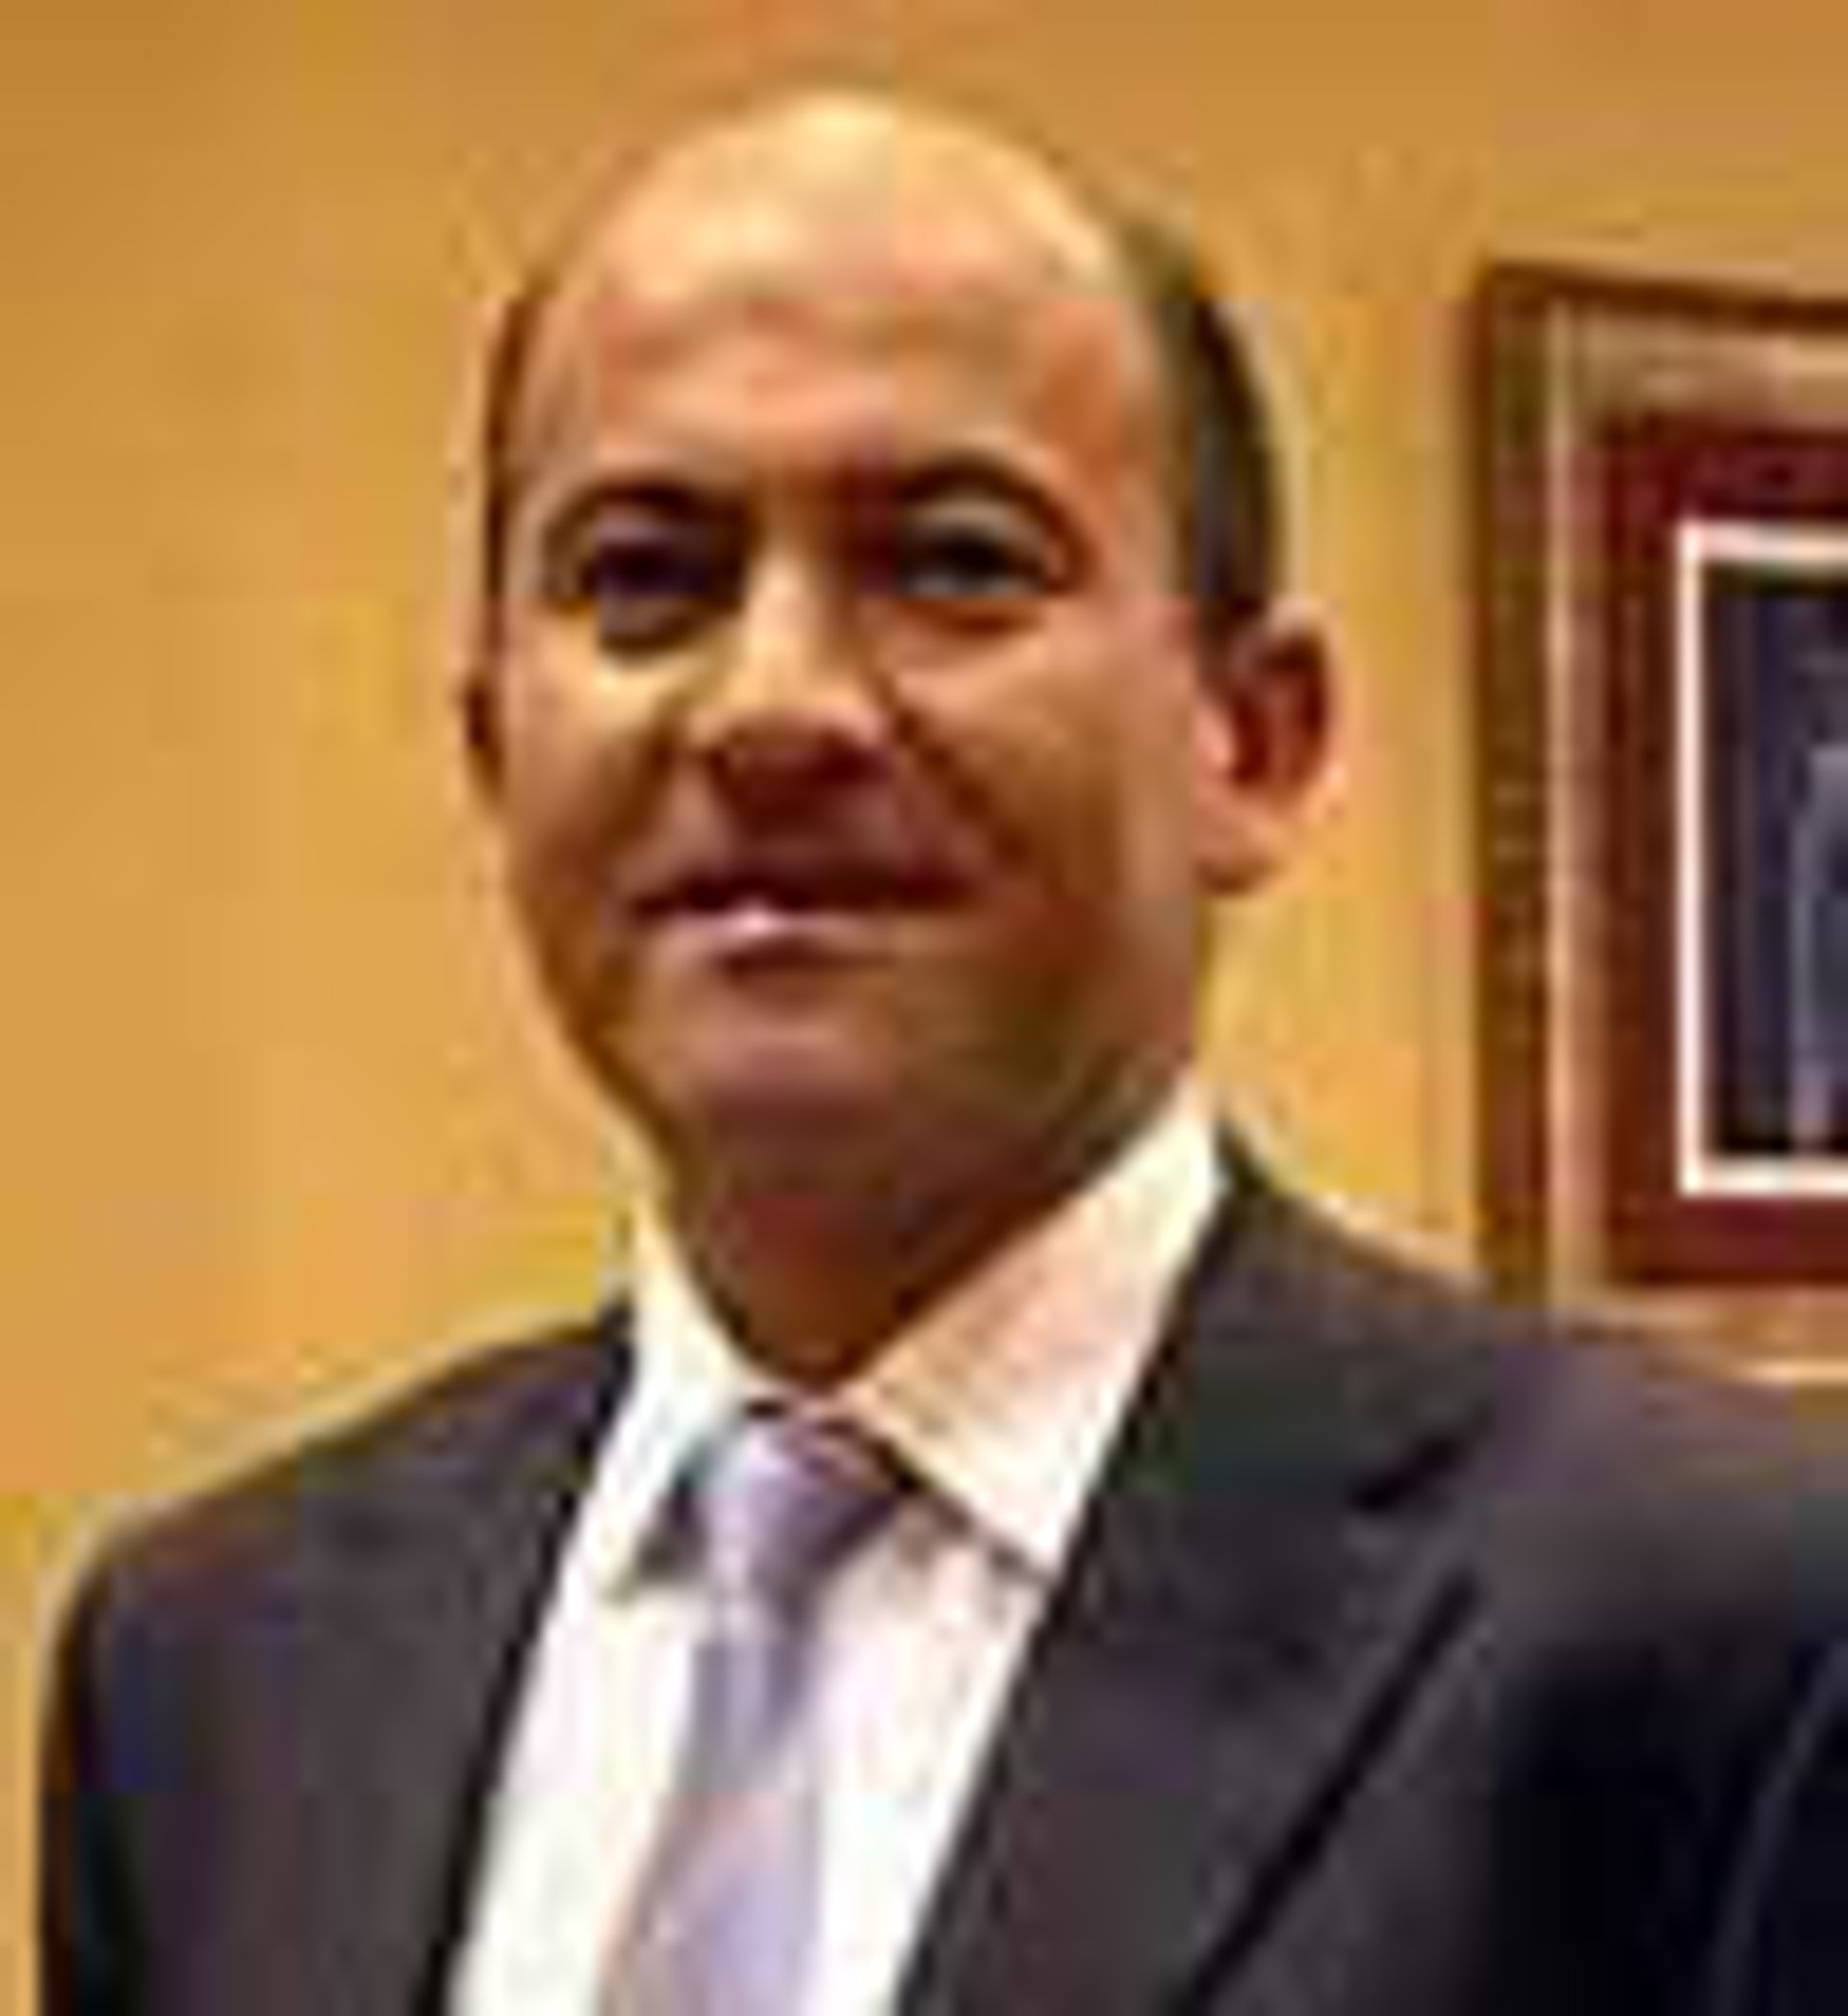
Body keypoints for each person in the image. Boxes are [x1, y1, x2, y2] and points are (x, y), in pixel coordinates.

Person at [39, 89, 1848, 2016]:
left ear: (1252, 741)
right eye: (647, 578)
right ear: (495, 748)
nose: (774, 708)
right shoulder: (210, 1676)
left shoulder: (1732, 1639)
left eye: (953, 564)